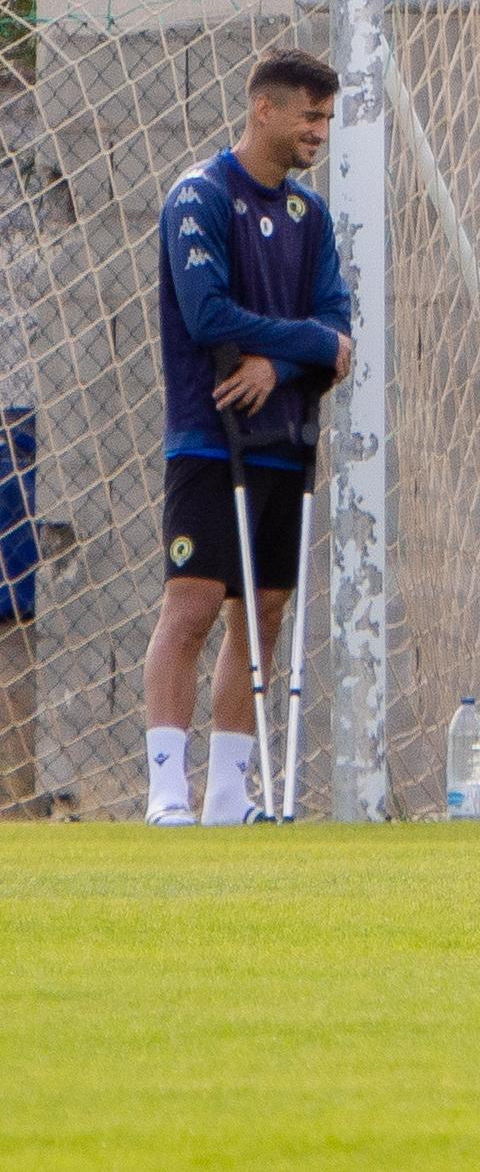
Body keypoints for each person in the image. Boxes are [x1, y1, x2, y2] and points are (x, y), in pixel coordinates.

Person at [141, 48, 354, 827]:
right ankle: (168, 791)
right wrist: (299, 346)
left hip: (284, 439)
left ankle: (230, 796)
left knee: (262, 613)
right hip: (209, 435)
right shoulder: (199, 197)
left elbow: (340, 333)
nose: (319, 132)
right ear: (264, 109)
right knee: (192, 605)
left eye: (326, 119)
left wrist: (282, 360)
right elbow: (208, 314)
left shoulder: (311, 217)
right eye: (309, 116)